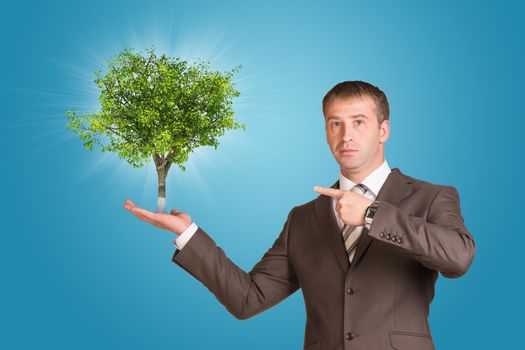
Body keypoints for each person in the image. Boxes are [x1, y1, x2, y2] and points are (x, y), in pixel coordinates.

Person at [123, 81, 475, 350]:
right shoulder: (303, 219)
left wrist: (371, 213)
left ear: (384, 130)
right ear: (325, 131)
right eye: (335, 123)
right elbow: (249, 298)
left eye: (358, 122)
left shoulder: (431, 197)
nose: (346, 135)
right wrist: (189, 234)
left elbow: (458, 258)